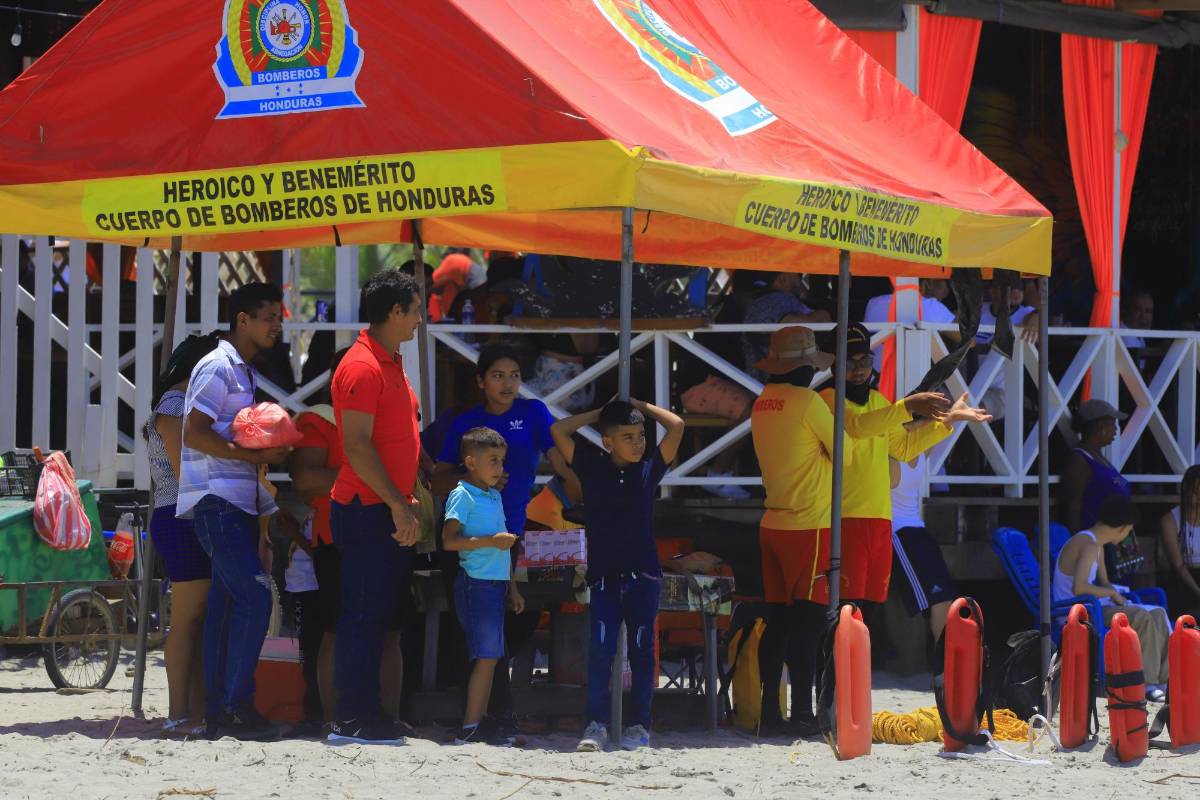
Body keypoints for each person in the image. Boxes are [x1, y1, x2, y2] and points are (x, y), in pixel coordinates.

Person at [432, 342, 580, 741]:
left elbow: (562, 461)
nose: (508, 382)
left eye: (515, 375)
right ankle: (490, 719)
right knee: (480, 634)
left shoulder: (532, 412)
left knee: (516, 623)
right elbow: (438, 478)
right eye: (498, 375)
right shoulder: (467, 421)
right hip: (471, 539)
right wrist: (478, 481)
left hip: (515, 534)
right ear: (480, 381)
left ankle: (486, 715)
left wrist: (590, 487)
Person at [178, 282, 291, 741]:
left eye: (279, 317)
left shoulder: (241, 370)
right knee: (255, 596)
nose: (277, 326)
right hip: (216, 501)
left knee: (227, 607)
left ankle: (221, 713)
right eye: (268, 317)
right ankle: (234, 707)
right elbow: (193, 432)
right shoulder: (219, 366)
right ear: (242, 320)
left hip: (234, 503)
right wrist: (251, 457)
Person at [819, 324, 984, 614]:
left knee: (869, 609)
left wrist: (950, 420)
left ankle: (859, 660)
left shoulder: (878, 402)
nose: (858, 369)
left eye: (864, 361)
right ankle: (836, 661)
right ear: (833, 364)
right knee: (844, 609)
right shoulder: (827, 400)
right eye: (849, 362)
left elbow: (905, 447)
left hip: (881, 519)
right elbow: (856, 427)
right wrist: (907, 407)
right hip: (844, 518)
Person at [551, 398, 685, 752]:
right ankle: (595, 726)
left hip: (643, 577)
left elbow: (677, 426)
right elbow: (558, 429)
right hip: (605, 578)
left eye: (640, 435)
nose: (638, 443)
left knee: (643, 654)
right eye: (627, 436)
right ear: (607, 441)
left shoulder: (650, 468)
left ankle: (639, 726)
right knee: (600, 652)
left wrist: (640, 404)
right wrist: (601, 414)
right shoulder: (592, 466)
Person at [328, 268, 424, 745]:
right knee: (363, 616)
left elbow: (394, 436)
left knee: (377, 616)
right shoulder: (363, 365)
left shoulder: (389, 359)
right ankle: (351, 719)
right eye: (415, 310)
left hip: (383, 506)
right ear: (394, 311)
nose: (420, 320)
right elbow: (357, 447)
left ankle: (365, 713)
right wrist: (396, 505)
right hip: (367, 507)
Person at [288, 348, 406, 728]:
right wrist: (372, 480)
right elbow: (305, 480)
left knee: (389, 632)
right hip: (338, 536)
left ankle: (388, 718)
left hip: (390, 531)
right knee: (336, 631)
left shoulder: (388, 418)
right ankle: (330, 720)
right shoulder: (318, 421)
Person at [748, 326, 841, 737]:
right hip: (809, 525)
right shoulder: (807, 401)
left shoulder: (761, 403)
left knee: (779, 623)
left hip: (772, 524)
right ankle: (803, 712)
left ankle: (770, 711)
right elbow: (847, 454)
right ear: (804, 369)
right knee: (808, 626)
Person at [144, 333, 220, 736]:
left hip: (183, 514)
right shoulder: (174, 405)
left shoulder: (179, 403)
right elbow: (183, 467)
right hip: (179, 514)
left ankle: (192, 709)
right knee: (188, 619)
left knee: (196, 619)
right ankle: (178, 711)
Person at [442, 427, 525, 744]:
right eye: (492, 460)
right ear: (471, 462)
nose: (499, 467)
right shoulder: (462, 494)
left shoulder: (493, 495)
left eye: (501, 460)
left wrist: (513, 588)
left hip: (494, 585)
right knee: (487, 657)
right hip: (475, 584)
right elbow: (449, 541)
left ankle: (478, 723)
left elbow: (500, 551)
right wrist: (492, 541)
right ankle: (471, 726)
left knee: (491, 656)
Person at [1054, 495, 1170, 701]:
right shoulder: (1087, 544)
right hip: (1077, 610)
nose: (1128, 534)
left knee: (1158, 613)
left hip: (1093, 605)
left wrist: (1117, 595)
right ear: (1122, 527)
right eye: (1129, 530)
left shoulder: (1096, 545)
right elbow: (1079, 587)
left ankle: (1163, 680)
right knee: (1142, 617)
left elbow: (1104, 582)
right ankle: (1146, 683)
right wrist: (1112, 594)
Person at [1059, 399, 1137, 582]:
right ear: (1099, 426)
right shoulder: (1080, 460)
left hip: (1118, 539)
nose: (1116, 429)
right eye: (1112, 424)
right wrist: (1079, 543)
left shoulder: (1099, 456)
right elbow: (1073, 505)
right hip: (1101, 541)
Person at [1159, 465, 1200, 617]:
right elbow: (1178, 564)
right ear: (1186, 490)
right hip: (1185, 578)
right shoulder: (1170, 519)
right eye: (1196, 492)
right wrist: (1198, 592)